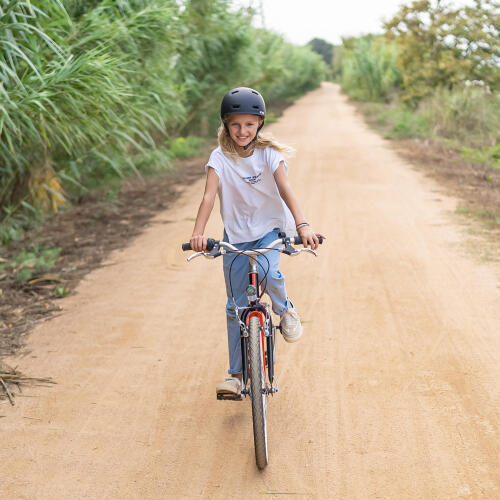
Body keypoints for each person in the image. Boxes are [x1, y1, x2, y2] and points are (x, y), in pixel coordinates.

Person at [189, 87, 324, 396]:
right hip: (236, 234)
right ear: (225, 124)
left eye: (249, 124)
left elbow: (286, 189)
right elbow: (209, 196)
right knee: (235, 306)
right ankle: (236, 375)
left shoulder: (268, 154)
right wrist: (198, 233)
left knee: (270, 272)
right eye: (235, 124)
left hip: (269, 229)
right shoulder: (219, 157)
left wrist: (302, 226)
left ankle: (284, 308)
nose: (242, 130)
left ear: (260, 123)